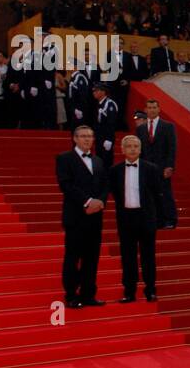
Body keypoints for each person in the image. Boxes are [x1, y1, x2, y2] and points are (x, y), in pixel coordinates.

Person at [55, 125, 109, 308]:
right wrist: (87, 202)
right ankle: (71, 294)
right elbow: (66, 185)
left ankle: (88, 294)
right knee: (73, 257)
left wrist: (100, 202)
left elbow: (104, 185)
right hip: (76, 216)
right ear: (75, 139)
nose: (87, 139)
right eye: (83, 136)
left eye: (90, 136)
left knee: (92, 257)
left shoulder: (99, 161)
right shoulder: (65, 159)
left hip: (95, 218)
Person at [109, 134, 164, 303]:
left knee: (148, 256)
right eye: (129, 146)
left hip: (146, 218)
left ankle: (150, 290)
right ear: (123, 149)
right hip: (126, 219)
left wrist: (156, 219)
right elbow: (115, 194)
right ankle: (129, 291)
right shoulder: (115, 171)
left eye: (135, 146)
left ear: (140, 149)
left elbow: (158, 194)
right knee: (128, 256)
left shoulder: (151, 169)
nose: (132, 149)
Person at [136, 100, 178, 228]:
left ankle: (170, 220)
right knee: (150, 194)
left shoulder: (168, 126)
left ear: (159, 109)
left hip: (163, 166)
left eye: (154, 107)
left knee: (165, 193)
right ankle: (156, 220)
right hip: (147, 167)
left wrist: (170, 166)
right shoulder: (141, 129)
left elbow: (172, 147)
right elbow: (139, 149)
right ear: (146, 109)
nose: (152, 110)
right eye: (149, 107)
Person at [92, 82, 119, 170]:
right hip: (99, 137)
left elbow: (111, 123)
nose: (94, 93)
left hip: (106, 138)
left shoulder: (109, 104)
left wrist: (109, 139)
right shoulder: (99, 103)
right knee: (100, 161)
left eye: (97, 90)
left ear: (103, 92)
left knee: (107, 162)